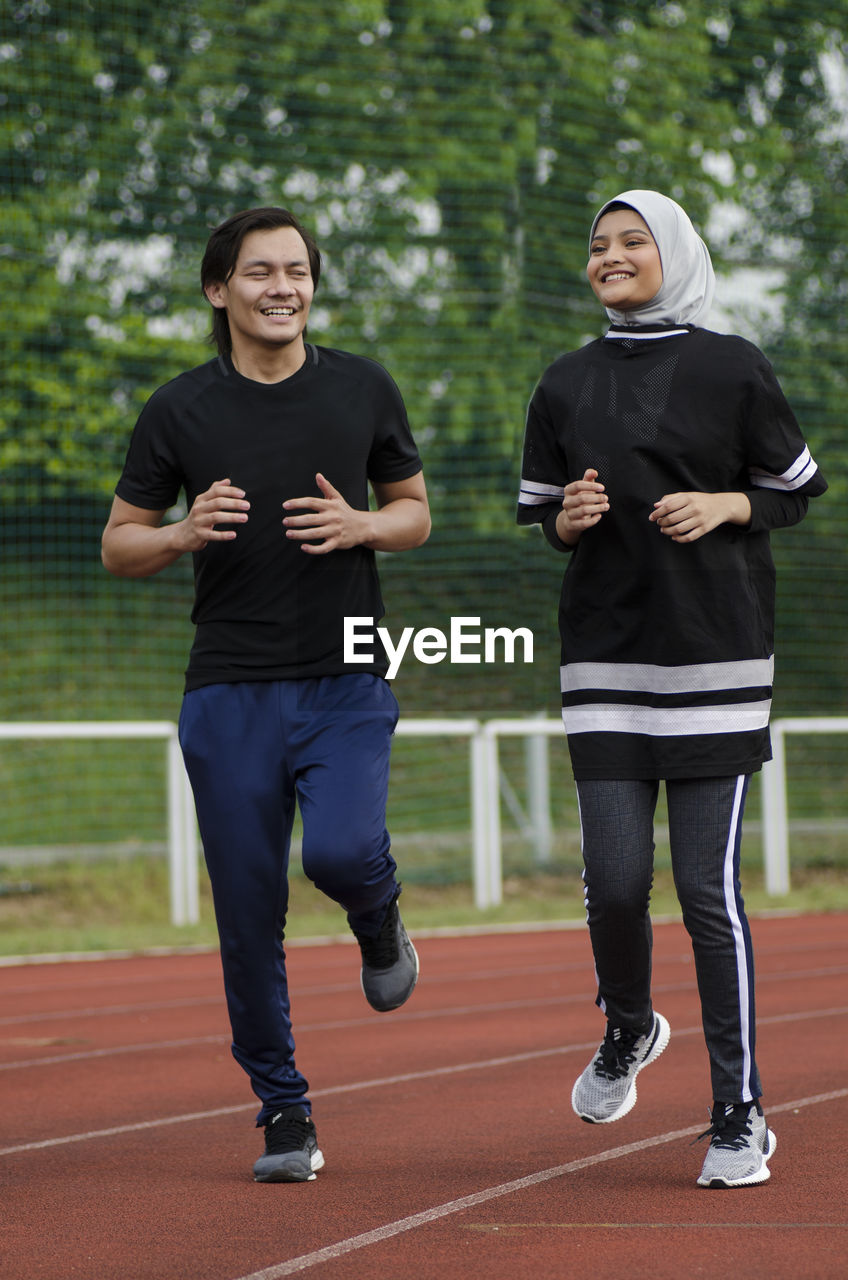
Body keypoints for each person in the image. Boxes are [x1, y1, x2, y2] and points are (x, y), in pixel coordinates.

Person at [102, 206, 430, 1183]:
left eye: (296, 270)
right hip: (229, 690)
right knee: (247, 910)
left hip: (346, 675)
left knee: (336, 849)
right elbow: (120, 542)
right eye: (259, 272)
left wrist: (362, 525)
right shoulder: (177, 409)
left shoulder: (363, 387)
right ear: (219, 290)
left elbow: (413, 513)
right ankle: (283, 1109)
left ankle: (377, 913)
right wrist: (180, 530)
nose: (281, 286)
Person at [517, 189, 826, 1188]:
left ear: (673, 253)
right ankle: (625, 1025)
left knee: (704, 893)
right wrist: (568, 514)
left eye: (629, 240)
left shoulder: (732, 364)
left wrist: (727, 501)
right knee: (611, 882)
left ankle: (737, 1112)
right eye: (596, 242)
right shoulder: (563, 382)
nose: (607, 254)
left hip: (716, 659)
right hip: (603, 660)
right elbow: (544, 520)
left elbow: (795, 486)